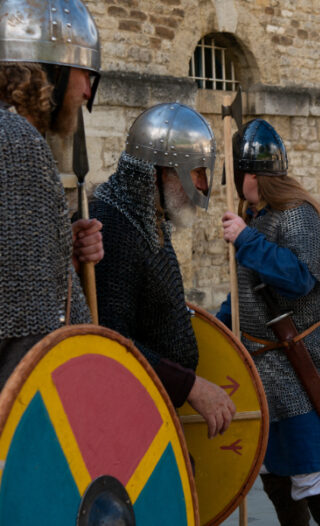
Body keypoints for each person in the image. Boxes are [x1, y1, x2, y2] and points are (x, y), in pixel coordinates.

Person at [216, 119, 320, 525]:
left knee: (309, 471)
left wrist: (246, 240)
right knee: (274, 468)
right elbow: (249, 292)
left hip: (300, 360)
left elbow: (299, 280)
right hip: (266, 364)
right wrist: (215, 325)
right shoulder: (259, 215)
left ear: (250, 175)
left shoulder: (298, 215)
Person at [90, 103, 236, 438]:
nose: (201, 184)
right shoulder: (113, 225)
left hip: (155, 408)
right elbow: (111, 340)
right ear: (157, 172)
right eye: (195, 171)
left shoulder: (150, 219)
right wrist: (190, 387)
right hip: (127, 421)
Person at [0, 0, 104, 386]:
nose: (88, 92)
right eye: (83, 73)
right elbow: (29, 318)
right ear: (51, 72)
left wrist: (61, 252)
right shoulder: (16, 142)